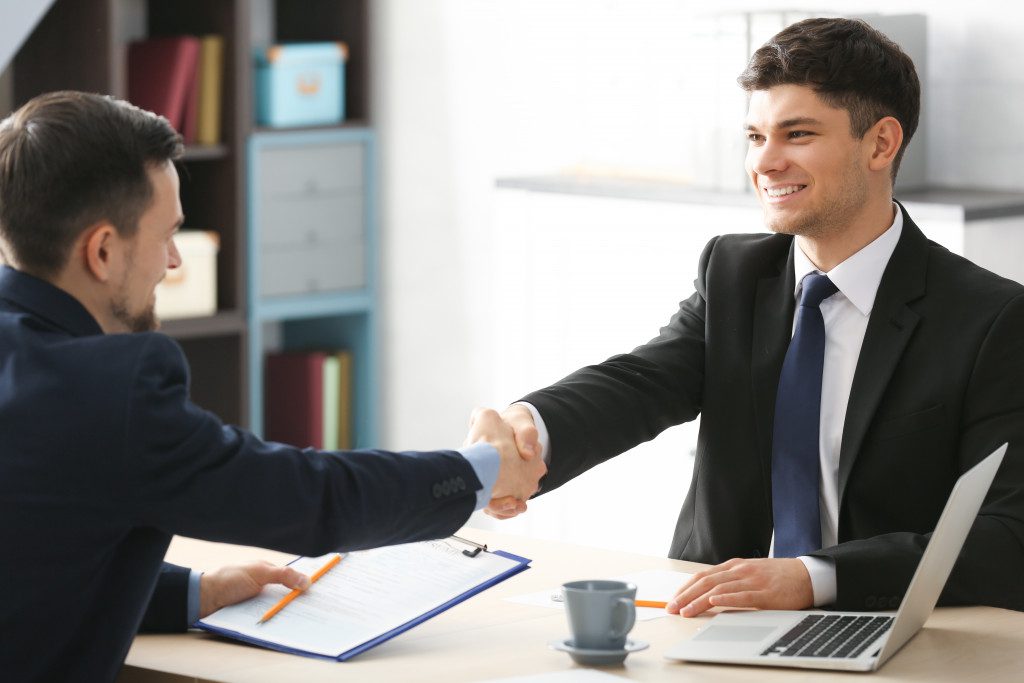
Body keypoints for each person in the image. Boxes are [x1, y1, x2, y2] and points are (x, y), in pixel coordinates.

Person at [478, 17, 1024, 616]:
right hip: (709, 617)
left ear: (881, 143)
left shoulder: (990, 320)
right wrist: (525, 430)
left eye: (797, 134)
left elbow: (1007, 537)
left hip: (881, 623)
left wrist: (811, 578)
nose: (765, 162)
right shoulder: (734, 273)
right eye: (755, 136)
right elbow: (638, 384)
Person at [0, 91, 546, 682]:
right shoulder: (109, 391)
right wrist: (483, 470)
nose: (174, 262)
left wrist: (194, 594)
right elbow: (311, 501)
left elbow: (33, 553)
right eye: (167, 235)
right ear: (103, 250)